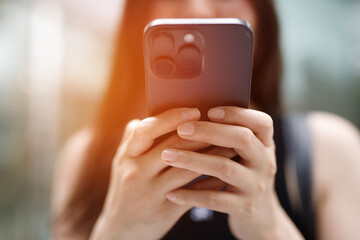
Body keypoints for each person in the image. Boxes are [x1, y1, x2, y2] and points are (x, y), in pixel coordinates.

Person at [51, 0, 360, 239]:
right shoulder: (83, 157)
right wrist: (116, 231)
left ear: (260, 13)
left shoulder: (329, 149)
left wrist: (271, 229)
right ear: (140, 18)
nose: (198, 8)